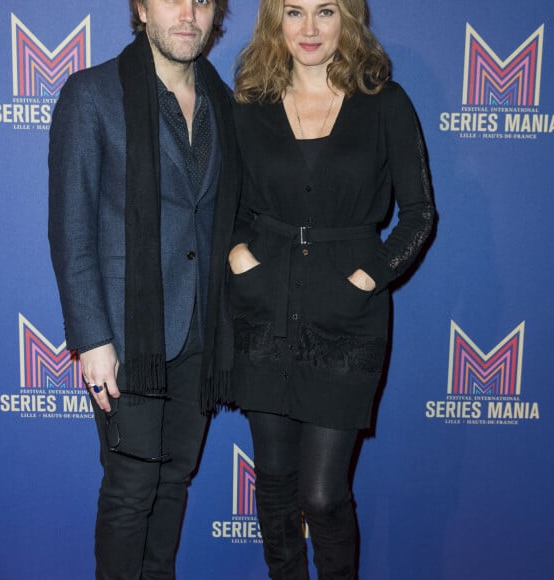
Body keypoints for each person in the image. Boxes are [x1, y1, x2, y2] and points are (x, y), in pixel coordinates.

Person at [225, 0, 435, 578]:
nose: (310, 29)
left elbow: (419, 215)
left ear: (349, 20)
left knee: (320, 496)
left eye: (326, 11)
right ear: (276, 21)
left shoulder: (384, 102)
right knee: (273, 483)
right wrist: (241, 258)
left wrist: (368, 278)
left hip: (347, 317)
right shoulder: (249, 106)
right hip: (264, 310)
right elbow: (225, 208)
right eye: (294, 12)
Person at [48, 0, 240, 578]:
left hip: (200, 330)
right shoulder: (92, 96)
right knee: (132, 489)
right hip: (126, 337)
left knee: (174, 482)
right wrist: (92, 338)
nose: (188, 12)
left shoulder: (224, 103)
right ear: (140, 7)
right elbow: (71, 227)